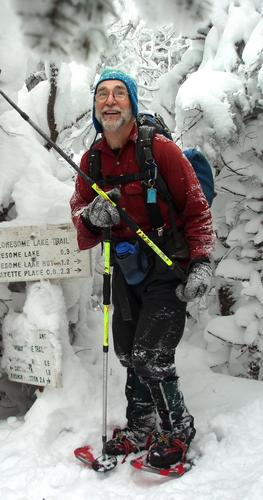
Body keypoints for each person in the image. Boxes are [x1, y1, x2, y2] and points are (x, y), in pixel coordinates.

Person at [70, 69, 215, 468]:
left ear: (132, 103)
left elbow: (197, 209)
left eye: (120, 93)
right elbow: (80, 221)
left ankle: (177, 431)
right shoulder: (92, 160)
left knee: (152, 353)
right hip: (125, 265)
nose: (111, 101)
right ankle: (141, 427)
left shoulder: (160, 150)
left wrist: (201, 263)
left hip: (168, 263)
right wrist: (92, 217)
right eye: (103, 94)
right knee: (128, 352)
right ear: (95, 107)